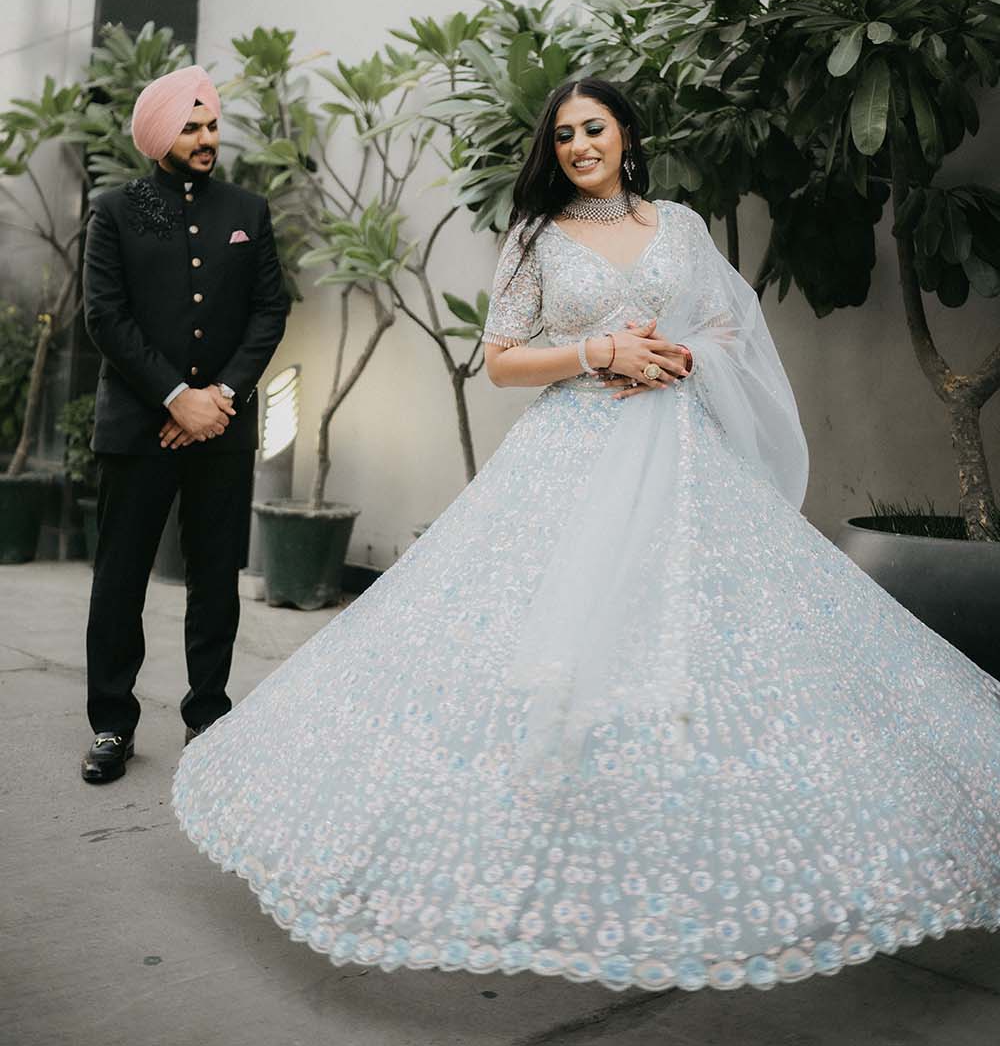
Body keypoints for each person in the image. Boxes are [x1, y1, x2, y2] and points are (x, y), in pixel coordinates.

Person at [172, 78, 1000, 994]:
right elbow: (499, 360)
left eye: (594, 128)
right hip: (570, 454)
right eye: (563, 134)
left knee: (700, 649)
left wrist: (677, 354)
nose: (578, 145)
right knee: (546, 648)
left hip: (684, 454)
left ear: (627, 134)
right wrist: (599, 352)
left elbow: (729, 328)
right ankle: (545, 840)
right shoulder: (535, 236)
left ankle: (680, 847)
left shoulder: (681, 226)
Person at [81, 65, 288, 784]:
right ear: (157, 135)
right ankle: (111, 723)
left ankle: (208, 715)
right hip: (138, 427)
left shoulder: (248, 208)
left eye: (211, 125)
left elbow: (270, 310)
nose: (207, 138)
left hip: (222, 427)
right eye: (191, 127)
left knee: (215, 577)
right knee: (121, 579)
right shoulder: (117, 210)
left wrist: (218, 397)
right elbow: (106, 317)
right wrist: (175, 397)